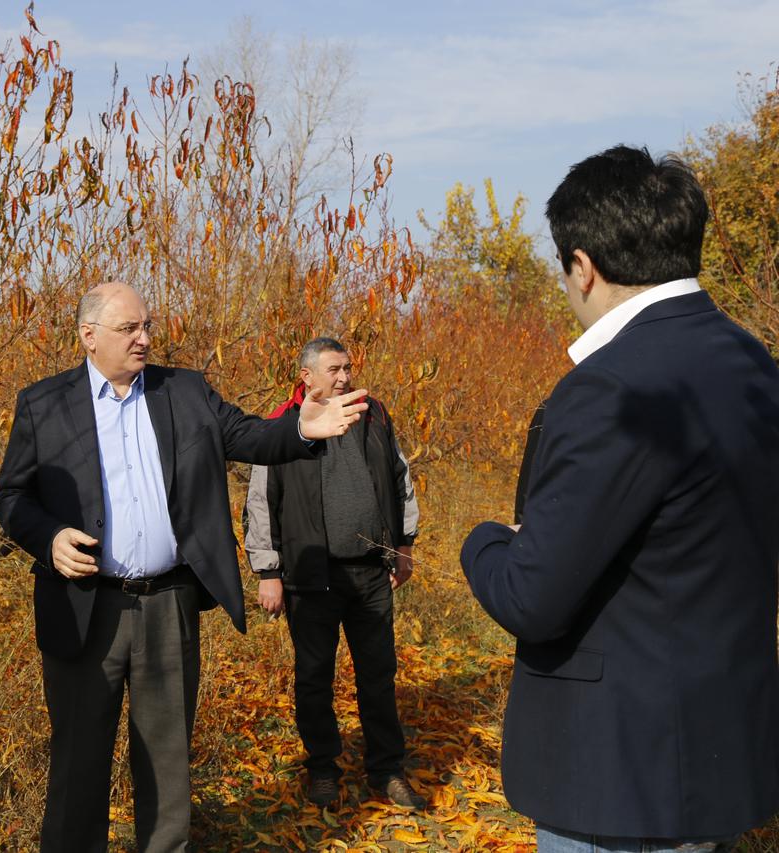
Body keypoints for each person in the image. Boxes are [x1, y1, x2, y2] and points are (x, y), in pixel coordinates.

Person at [460, 146, 779, 852]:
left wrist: (483, 540)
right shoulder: (754, 364)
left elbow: (529, 596)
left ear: (583, 266)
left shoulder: (610, 388)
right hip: (721, 757)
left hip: (618, 780)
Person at [0, 282, 368, 853]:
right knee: (78, 761)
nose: (144, 338)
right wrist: (47, 538)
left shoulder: (184, 390)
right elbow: (11, 496)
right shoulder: (44, 403)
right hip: (85, 606)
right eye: (129, 329)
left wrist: (300, 428)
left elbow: (247, 434)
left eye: (147, 326)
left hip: (168, 604)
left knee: (167, 763)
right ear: (89, 336)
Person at [243, 337, 424, 810]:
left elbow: (400, 478)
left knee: (378, 675)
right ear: (307, 376)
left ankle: (386, 770)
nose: (344, 377)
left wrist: (403, 544)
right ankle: (323, 769)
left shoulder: (373, 414)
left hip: (371, 573)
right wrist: (268, 570)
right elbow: (261, 501)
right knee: (314, 678)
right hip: (310, 575)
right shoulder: (283, 425)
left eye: (347, 368)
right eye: (333, 370)